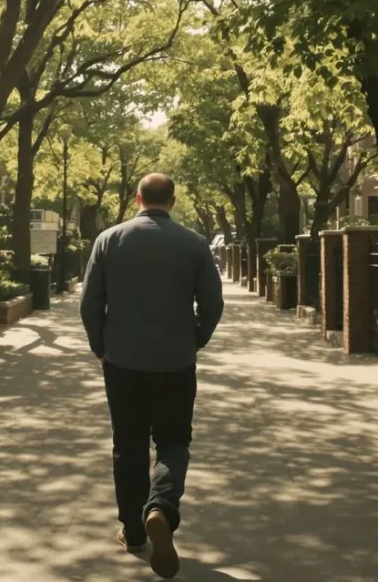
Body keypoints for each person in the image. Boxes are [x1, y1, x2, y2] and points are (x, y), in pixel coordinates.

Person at [80, 173, 224, 579]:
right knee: (174, 441)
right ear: (173, 201)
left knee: (128, 445)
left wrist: (100, 347)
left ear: (138, 198)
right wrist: (195, 339)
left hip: (122, 362)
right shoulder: (194, 244)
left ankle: (133, 531)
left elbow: (90, 304)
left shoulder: (109, 240)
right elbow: (212, 304)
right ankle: (160, 507)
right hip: (175, 363)